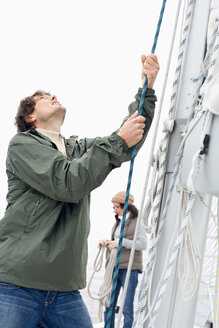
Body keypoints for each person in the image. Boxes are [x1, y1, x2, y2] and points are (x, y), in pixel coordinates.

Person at [0, 53, 159, 328]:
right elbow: (69, 183)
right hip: (17, 284)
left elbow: (124, 140)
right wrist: (118, 141)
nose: (53, 96)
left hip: (65, 289)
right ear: (30, 116)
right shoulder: (22, 145)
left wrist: (147, 89)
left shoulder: (78, 148)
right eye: (43, 97)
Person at [99, 191, 147, 328]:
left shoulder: (138, 222)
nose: (114, 210)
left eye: (116, 207)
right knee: (109, 304)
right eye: (113, 207)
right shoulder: (118, 222)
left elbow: (143, 244)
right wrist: (106, 242)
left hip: (129, 270)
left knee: (126, 308)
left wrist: (121, 242)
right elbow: (117, 241)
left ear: (125, 206)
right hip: (115, 268)